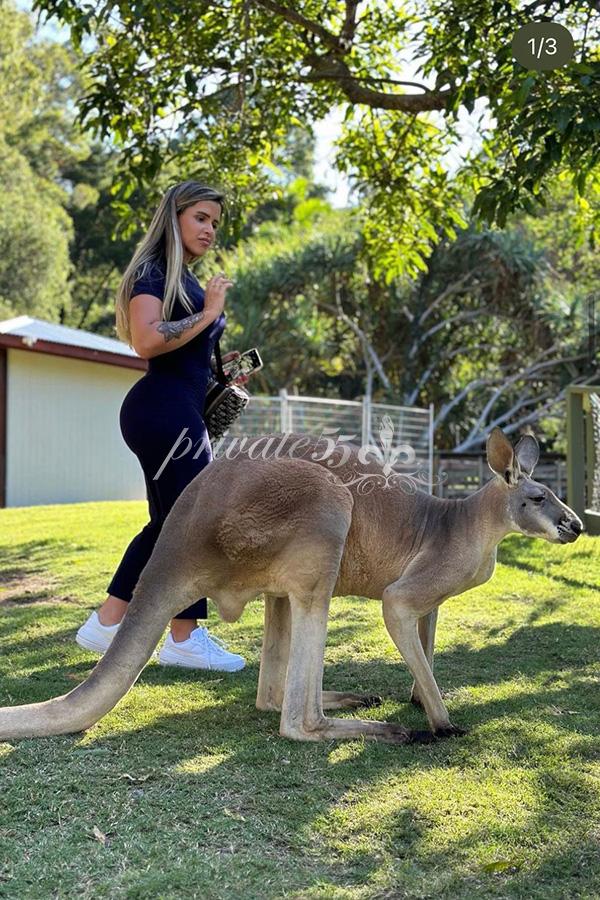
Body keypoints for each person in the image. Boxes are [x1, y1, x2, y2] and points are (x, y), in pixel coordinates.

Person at [76, 181, 250, 671]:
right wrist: (212, 312)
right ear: (174, 216)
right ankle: (181, 637)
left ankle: (110, 623)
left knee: (172, 522)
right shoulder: (152, 274)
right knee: (191, 521)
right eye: (200, 217)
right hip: (162, 411)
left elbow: (187, 356)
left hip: (178, 409)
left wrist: (224, 368)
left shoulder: (186, 282)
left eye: (215, 222)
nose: (210, 229)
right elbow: (148, 342)